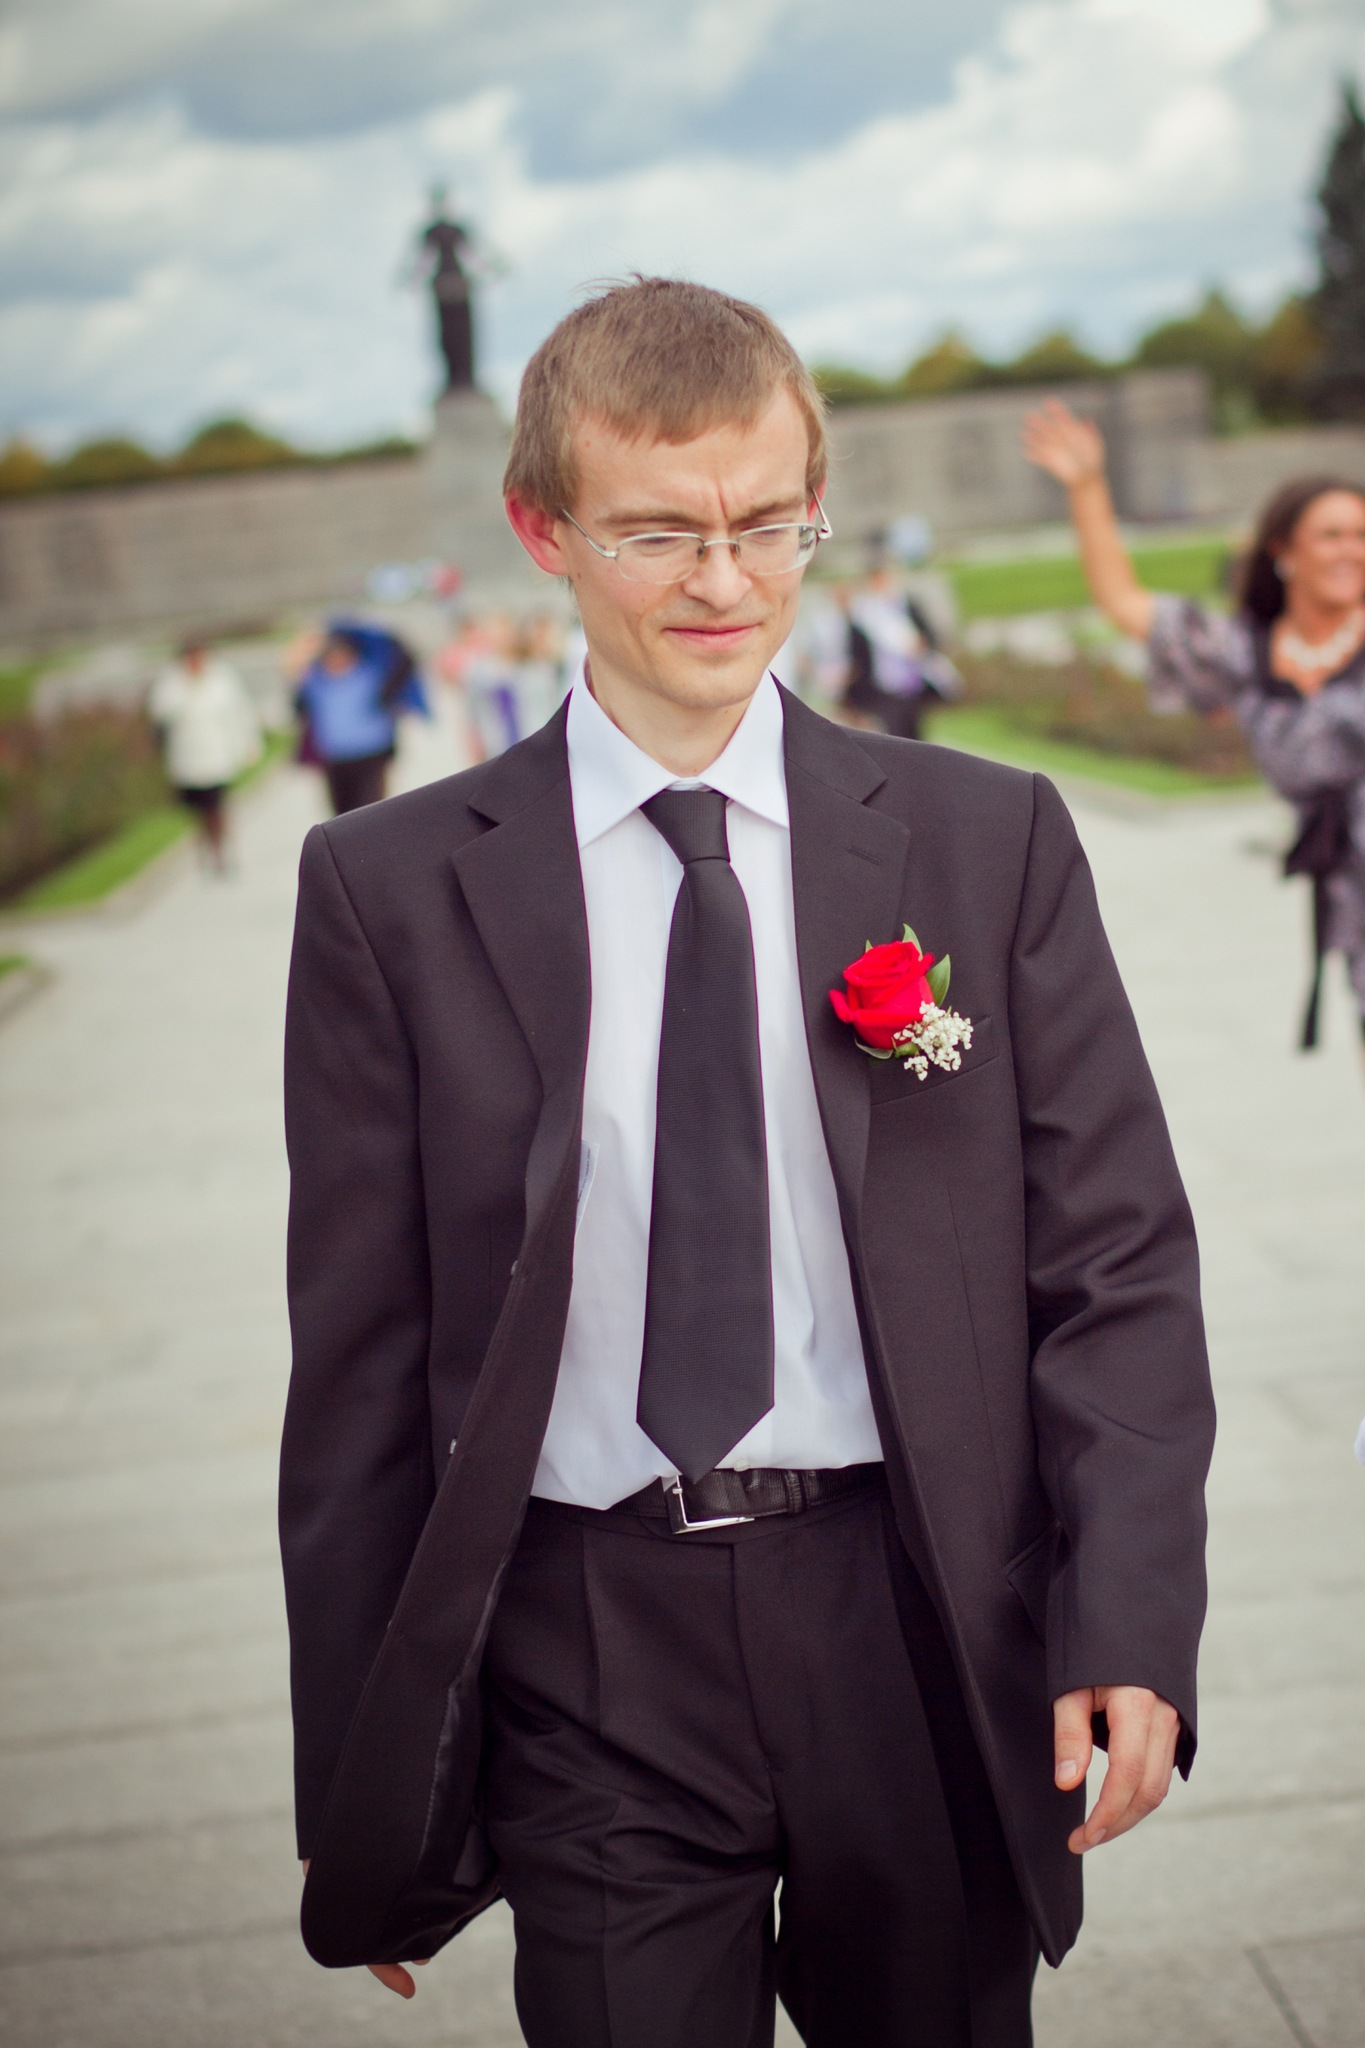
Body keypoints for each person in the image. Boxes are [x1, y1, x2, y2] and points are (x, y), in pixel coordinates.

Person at [281, 279, 1214, 2048]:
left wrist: (1131, 1612)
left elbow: (1117, 1265)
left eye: (769, 522)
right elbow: (359, 1372)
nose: (725, 579)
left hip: (915, 1613)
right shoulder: (386, 894)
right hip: (586, 1643)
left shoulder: (986, 839)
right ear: (542, 530)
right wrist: (361, 1777)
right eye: (658, 532)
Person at [1024, 398, 1365, 1051]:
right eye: (1331, 534)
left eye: (1360, 534)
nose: (1350, 550)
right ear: (1283, 549)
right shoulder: (1246, 652)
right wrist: (1087, 487)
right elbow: (1125, 603)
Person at [147, 637, 260, 872]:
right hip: (187, 760)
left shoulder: (222, 678)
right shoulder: (172, 682)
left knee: (218, 807)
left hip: (217, 757)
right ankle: (205, 850)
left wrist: (249, 745)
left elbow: (240, 712)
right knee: (198, 813)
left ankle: (222, 853)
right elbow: (161, 713)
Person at [293, 622, 428, 814]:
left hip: (372, 753)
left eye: (341, 654)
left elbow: (405, 660)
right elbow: (297, 708)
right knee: (341, 815)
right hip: (334, 757)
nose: (336, 661)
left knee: (370, 810)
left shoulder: (372, 673)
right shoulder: (315, 680)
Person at [841, 558, 962, 741]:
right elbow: (857, 656)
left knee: (916, 735)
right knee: (895, 736)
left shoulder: (908, 606)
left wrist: (922, 644)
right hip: (883, 688)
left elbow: (930, 637)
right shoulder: (863, 616)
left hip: (912, 684)